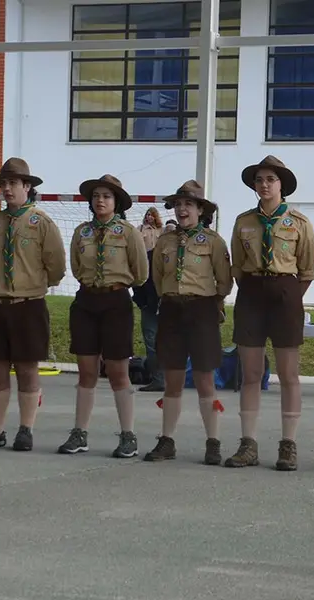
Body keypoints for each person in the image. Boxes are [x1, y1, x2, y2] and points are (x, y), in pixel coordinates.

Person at [226, 155, 314, 471]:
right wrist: (255, 290)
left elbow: (307, 270)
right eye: (260, 180)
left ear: (282, 185)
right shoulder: (244, 222)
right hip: (251, 294)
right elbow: (237, 266)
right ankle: (248, 444)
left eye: (271, 180)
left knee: (289, 374)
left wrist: (288, 297)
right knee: (250, 374)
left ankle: (288, 445)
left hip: (286, 294)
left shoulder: (300, 223)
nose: (264, 185)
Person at [0, 157, 66, 452]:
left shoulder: (41, 223)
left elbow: (56, 266)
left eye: (13, 183)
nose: (7, 189)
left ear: (27, 186)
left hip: (28, 304)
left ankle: (26, 428)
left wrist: (30, 284)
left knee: (26, 368)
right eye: (3, 184)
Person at [142, 180, 233, 465]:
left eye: (189, 204)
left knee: (205, 378)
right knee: (173, 378)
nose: (182, 209)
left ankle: (213, 441)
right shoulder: (164, 242)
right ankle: (167, 440)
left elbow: (224, 281)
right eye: (178, 204)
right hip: (171, 310)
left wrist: (208, 303)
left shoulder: (214, 242)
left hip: (202, 310)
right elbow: (157, 278)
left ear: (200, 210)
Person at [58, 174, 149, 458]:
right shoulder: (81, 232)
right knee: (87, 371)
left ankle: (128, 435)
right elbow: (75, 265)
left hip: (116, 301)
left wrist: (115, 284)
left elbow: (142, 272)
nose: (100, 201)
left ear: (116, 202)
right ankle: (79, 433)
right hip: (86, 301)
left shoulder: (128, 232)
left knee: (118, 372)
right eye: (96, 196)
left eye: (107, 196)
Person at [133, 206, 166, 392]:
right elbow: (138, 280)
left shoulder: (172, 258)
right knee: (151, 341)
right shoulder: (146, 257)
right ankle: (158, 378)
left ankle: (175, 378)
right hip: (150, 306)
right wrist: (143, 302)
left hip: (170, 306)